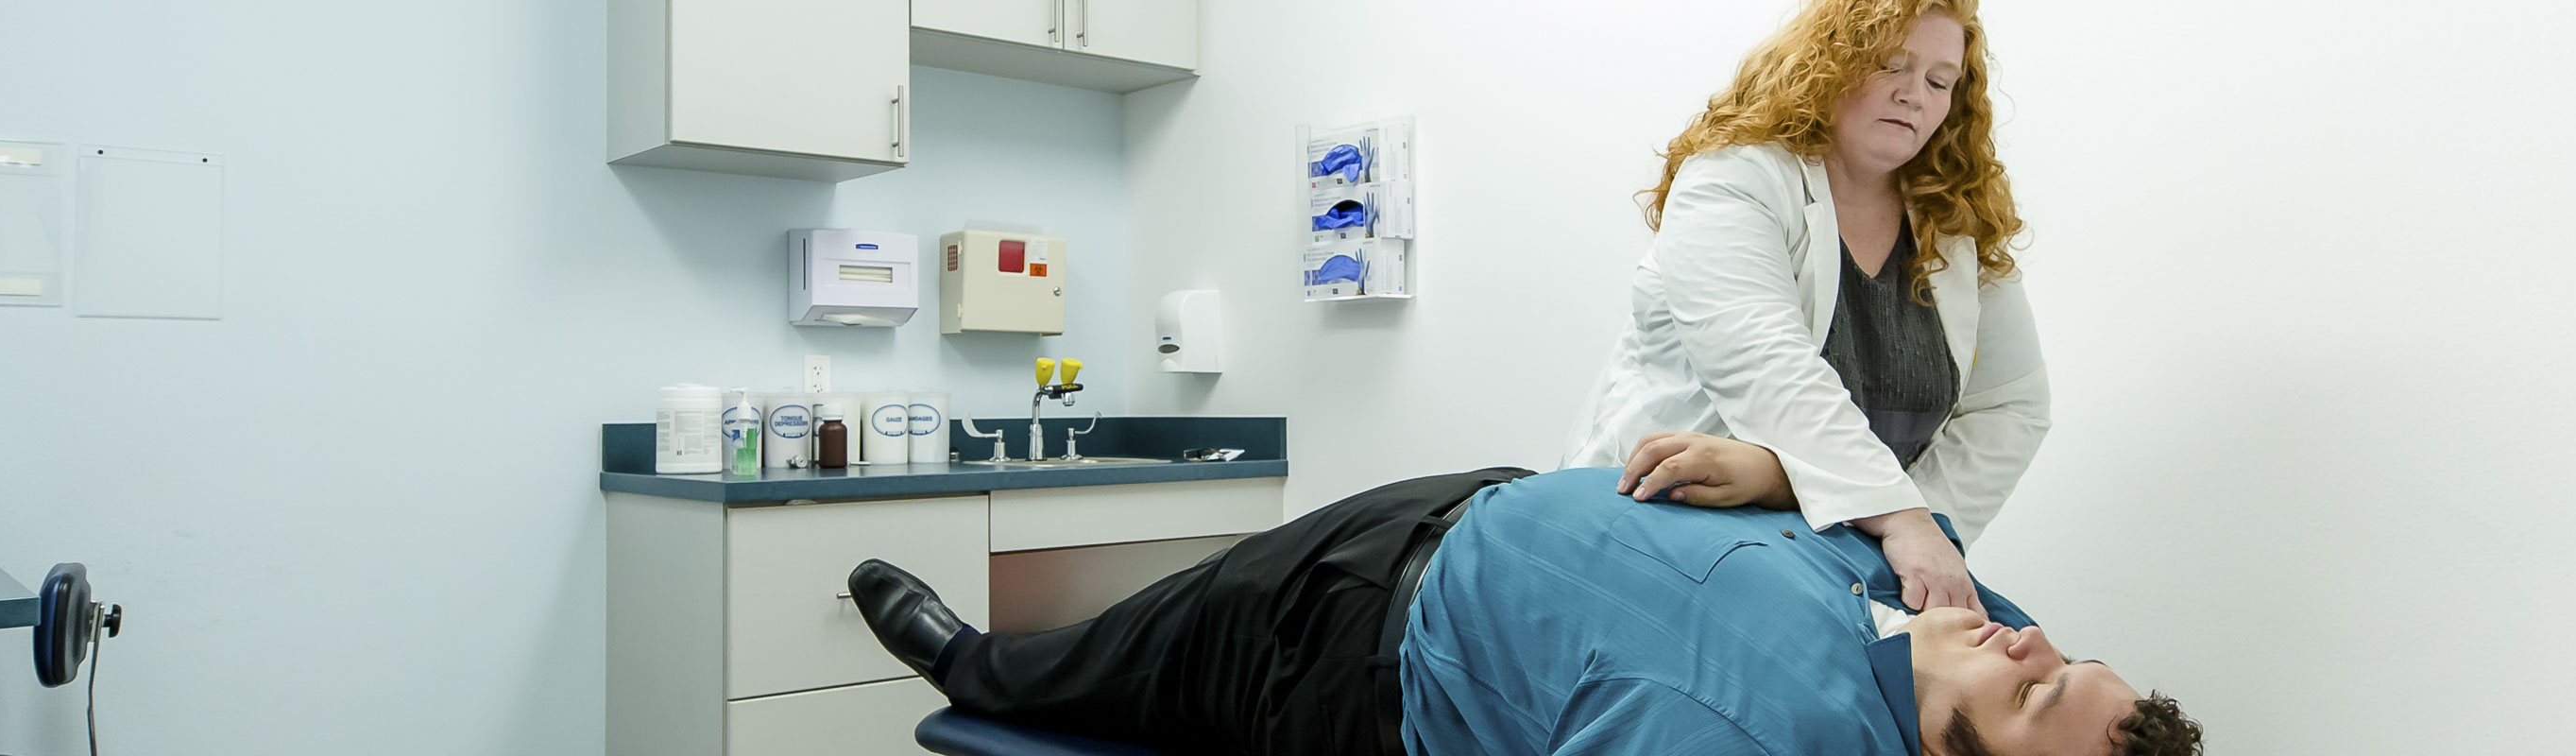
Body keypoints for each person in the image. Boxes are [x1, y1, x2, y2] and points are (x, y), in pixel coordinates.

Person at [844, 463, 2201, 756]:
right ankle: (1019, 660)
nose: (2029, 642)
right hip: (1465, 506)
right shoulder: (1968, 619)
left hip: (1367, 646)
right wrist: (1782, 466)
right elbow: (1896, 496)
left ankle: (975, 667)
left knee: (1139, 663)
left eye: (2032, 692)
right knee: (1153, 620)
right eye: (2063, 654)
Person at [1568, 0, 2050, 618]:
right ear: (1827, 65)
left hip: (1838, 556)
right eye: (1890, 67)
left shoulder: (1955, 223)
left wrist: (1912, 526)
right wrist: (1897, 516)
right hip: (1666, 531)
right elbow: (1766, 366)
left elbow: (2012, 405)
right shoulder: (1734, 179)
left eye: (1939, 82)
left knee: (2021, 664)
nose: (1914, 96)